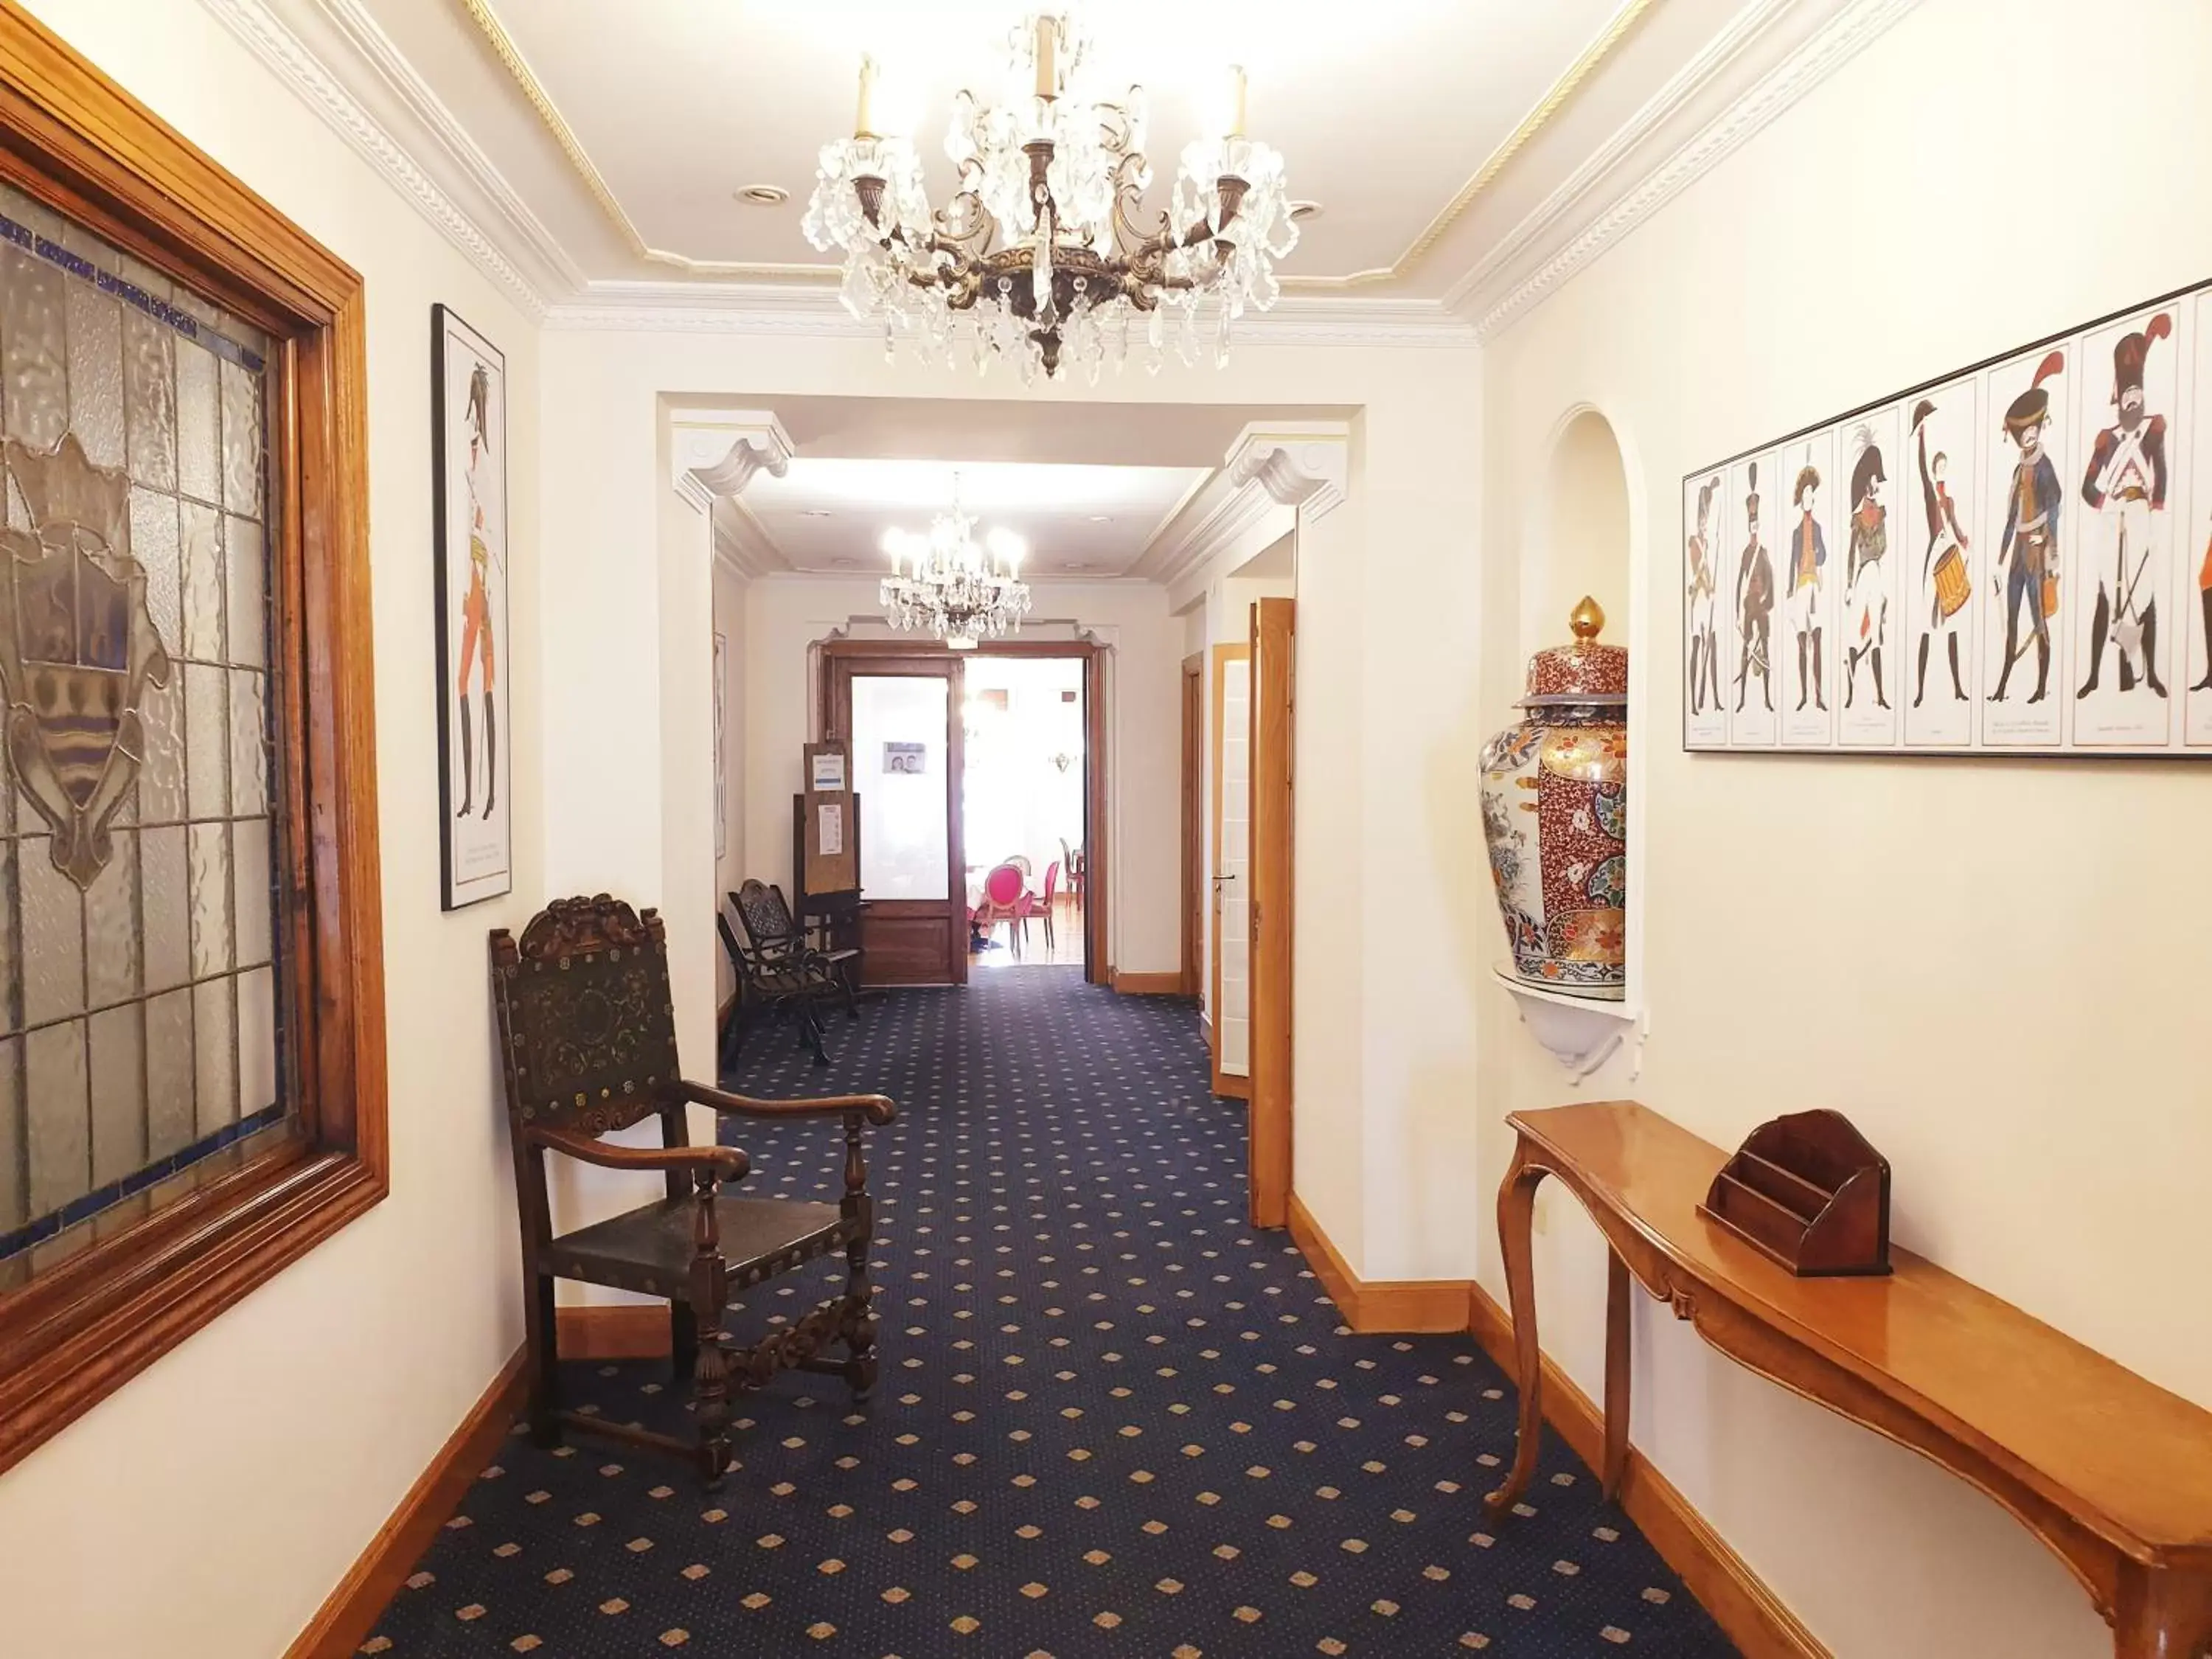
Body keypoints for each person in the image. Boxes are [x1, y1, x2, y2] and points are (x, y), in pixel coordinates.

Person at [2077, 313, 2171, 699]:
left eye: (2138, 397)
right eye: (2127, 397)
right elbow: (2087, 486)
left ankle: (2149, 674)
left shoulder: (2152, 433)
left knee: (2143, 592)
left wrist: (2153, 511)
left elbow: (2160, 476)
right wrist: (2106, 503)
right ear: (2119, 400)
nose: (2133, 403)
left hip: (2139, 517)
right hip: (2112, 517)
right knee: (2106, 596)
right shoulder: (2107, 440)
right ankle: (2096, 675)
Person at [1992, 351, 2065, 705]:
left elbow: (2054, 506)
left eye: (2034, 430)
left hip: (2036, 551)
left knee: (2039, 621)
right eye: (2025, 432)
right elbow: (2010, 518)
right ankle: (2003, 684)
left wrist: (2048, 545)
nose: (2029, 436)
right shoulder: (2018, 471)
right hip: (2018, 552)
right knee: (2012, 619)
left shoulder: (2045, 466)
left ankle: (2040, 687)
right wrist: (1999, 558)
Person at [455, 361, 498, 817]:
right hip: (473, 588)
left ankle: (483, 795)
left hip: (479, 588)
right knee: (468, 682)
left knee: (482, 680)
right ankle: (473, 794)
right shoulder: (468, 469)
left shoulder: (481, 470)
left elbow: (485, 533)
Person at [1910, 398, 1970, 706]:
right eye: (1939, 467)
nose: (1941, 471)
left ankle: (1958, 687)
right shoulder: (1931, 497)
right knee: (1926, 623)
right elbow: (1921, 470)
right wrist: (1922, 436)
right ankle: (1920, 690)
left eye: (1945, 466)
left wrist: (1964, 539)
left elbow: (1957, 527)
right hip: (1934, 554)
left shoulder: (1950, 502)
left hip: (1950, 551)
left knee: (1952, 624)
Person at [1841, 434, 1890, 710]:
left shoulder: (1881, 513)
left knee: (1877, 637)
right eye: (1875, 479)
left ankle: (1880, 694)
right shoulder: (1858, 517)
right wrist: (1849, 584)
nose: (1877, 483)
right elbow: (1851, 552)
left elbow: (1884, 547)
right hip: (1862, 574)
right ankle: (1850, 693)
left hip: (1876, 572)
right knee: (1853, 632)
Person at [1784, 461, 1827, 712]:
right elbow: (1792, 561)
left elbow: (1825, 556)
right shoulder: (1796, 532)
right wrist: (1790, 590)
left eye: (1812, 493)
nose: (1809, 497)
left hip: (1815, 585)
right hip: (1800, 586)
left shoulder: (1819, 528)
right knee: (1802, 641)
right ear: (1801, 500)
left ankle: (1818, 695)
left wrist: (1818, 554)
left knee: (1817, 638)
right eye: (1805, 493)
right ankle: (1803, 695)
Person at [1733, 463, 1774, 712]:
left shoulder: (1764, 552)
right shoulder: (1746, 553)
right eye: (1751, 519)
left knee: (1765, 649)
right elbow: (1740, 582)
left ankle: (1768, 698)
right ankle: (1743, 699)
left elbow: (1770, 580)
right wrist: (1738, 614)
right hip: (1748, 606)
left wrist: (1767, 600)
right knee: (1745, 648)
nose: (1753, 523)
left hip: (1762, 607)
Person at [1686, 476, 1720, 715]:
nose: (1705, 522)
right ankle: (1693, 701)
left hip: (1708, 599)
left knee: (1713, 646)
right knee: (1697, 647)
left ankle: (1713, 697)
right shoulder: (1694, 543)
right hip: (1698, 599)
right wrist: (1707, 585)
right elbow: (1697, 571)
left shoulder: (1710, 543)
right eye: (1703, 517)